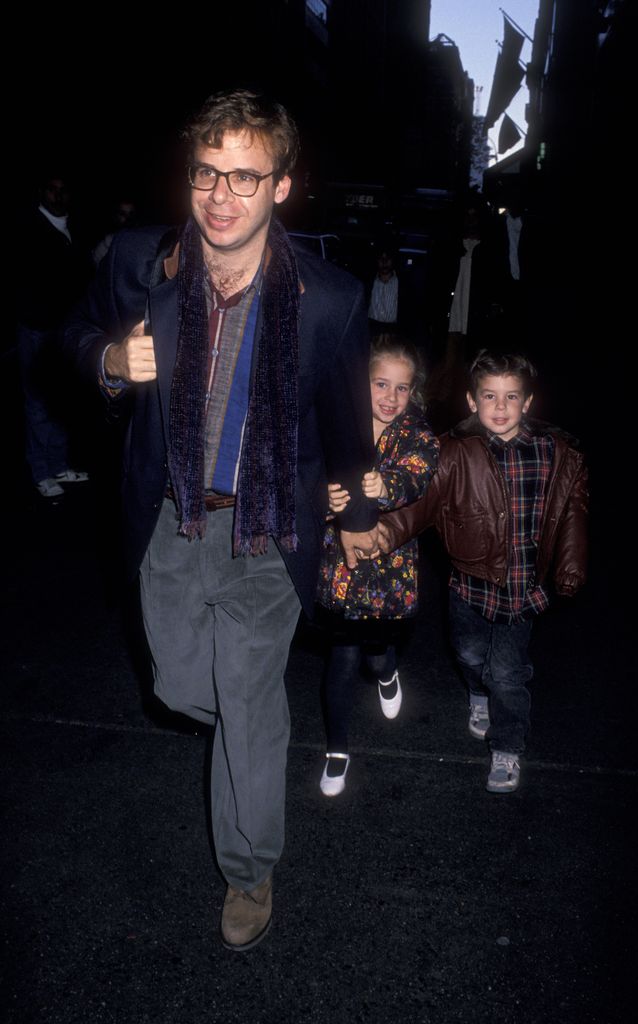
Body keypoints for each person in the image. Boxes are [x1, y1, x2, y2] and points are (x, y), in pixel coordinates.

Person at [64, 89, 380, 951]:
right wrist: (106, 360)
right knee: (174, 687)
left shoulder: (328, 297)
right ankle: (251, 724)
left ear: (282, 187)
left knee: (246, 702)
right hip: (172, 518)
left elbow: (350, 417)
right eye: (208, 172)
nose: (222, 196)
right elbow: (74, 332)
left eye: (246, 177)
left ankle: (250, 868)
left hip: (268, 528)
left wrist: (362, 508)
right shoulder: (142, 261)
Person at [378, 350, 588, 794]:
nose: (499, 407)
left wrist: (570, 563)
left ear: (528, 403)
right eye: (489, 396)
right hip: (469, 585)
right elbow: (421, 506)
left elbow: (571, 510)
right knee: (471, 656)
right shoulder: (454, 452)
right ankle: (478, 694)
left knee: (508, 674)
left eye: (511, 397)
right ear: (472, 402)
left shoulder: (554, 452)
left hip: (525, 589)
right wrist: (379, 534)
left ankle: (507, 747)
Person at [316, 335, 439, 796]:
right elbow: (309, 470)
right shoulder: (338, 425)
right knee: (343, 655)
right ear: (359, 383)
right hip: (341, 569)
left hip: (388, 569)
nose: (390, 397)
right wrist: (322, 498)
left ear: (413, 393)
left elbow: (418, 472)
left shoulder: (416, 433)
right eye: (380, 384)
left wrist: (385, 485)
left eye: (402, 388)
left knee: (376, 650)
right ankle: (337, 749)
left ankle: (387, 672)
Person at [16, 174, 91, 497]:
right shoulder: (29, 228)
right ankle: (41, 471)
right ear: (41, 191)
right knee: (37, 402)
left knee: (61, 399)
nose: (58, 196)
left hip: (64, 330)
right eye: (52, 189)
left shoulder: (72, 227)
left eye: (64, 190)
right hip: (38, 327)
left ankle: (59, 465)